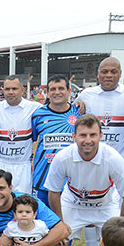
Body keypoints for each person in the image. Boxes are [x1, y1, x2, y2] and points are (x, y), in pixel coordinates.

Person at [73, 58, 124, 246]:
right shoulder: (87, 95)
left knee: (114, 219)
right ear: (98, 74)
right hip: (93, 167)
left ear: (120, 73)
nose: (108, 75)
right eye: (104, 71)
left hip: (120, 167)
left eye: (113, 72)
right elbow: (75, 117)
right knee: (90, 216)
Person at [46, 114, 124, 246]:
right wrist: (59, 223)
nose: (88, 140)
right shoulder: (62, 157)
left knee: (118, 242)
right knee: (60, 238)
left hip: (105, 204)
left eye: (93, 135)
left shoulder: (113, 158)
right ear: (74, 137)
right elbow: (53, 192)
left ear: (101, 136)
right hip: (72, 202)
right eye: (83, 135)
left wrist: (122, 226)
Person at [31, 74, 80, 204]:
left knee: (69, 223)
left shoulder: (79, 113)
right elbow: (33, 139)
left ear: (69, 91)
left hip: (71, 181)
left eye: (61, 88)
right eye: (52, 89)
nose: (57, 92)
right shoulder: (38, 115)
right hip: (42, 179)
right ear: (47, 92)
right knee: (41, 222)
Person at [0, 75, 40, 195]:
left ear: (22, 90)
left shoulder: (35, 108)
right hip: (0, 163)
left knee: (23, 203)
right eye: (7, 89)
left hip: (22, 166)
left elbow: (56, 109)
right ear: (3, 90)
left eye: (14, 89)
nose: (10, 92)